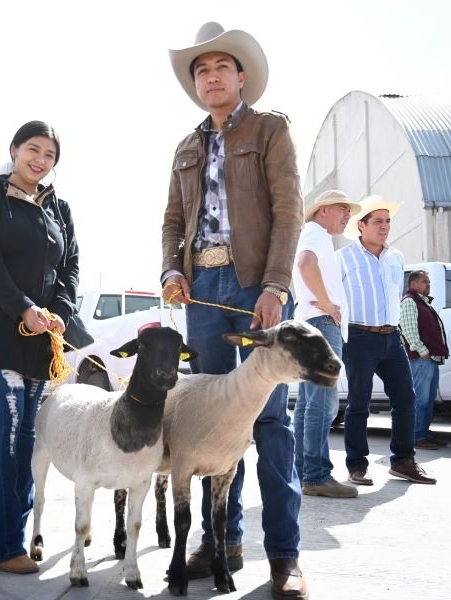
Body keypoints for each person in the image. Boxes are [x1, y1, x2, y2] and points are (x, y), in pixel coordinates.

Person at [161, 22, 307, 598]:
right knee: (210, 421)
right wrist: (172, 270)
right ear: (195, 82)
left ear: (241, 76)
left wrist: (275, 284)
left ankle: (285, 557)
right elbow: (173, 221)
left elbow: (289, 211)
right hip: (202, 293)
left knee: (268, 422)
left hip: (254, 288)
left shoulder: (271, 131)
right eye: (201, 69)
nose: (211, 75)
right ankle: (223, 543)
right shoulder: (186, 146)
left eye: (221, 66)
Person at [0, 121, 78, 575]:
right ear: (14, 150)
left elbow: (71, 267)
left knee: (27, 437)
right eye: (33, 149)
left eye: (49, 155)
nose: (40, 160)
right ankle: (1, 546)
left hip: (40, 339)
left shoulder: (59, 208)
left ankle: (13, 537)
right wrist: (23, 307)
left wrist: (60, 309)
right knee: (5, 430)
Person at [337, 196, 437, 486]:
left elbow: (394, 297)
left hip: (391, 337)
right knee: (358, 403)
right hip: (358, 336)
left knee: (406, 398)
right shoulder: (343, 258)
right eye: (378, 221)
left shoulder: (397, 257)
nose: (385, 226)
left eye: (387, 221)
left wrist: (401, 334)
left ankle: (403, 461)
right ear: (361, 225)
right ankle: (357, 465)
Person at [292, 190, 361, 499]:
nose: (348, 215)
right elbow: (307, 264)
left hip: (312, 322)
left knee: (309, 403)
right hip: (320, 322)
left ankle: (302, 472)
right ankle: (317, 475)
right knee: (322, 403)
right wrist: (327, 304)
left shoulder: (313, 233)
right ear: (323, 211)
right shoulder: (317, 235)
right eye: (342, 209)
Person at [399, 269, 450, 450]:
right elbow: (408, 330)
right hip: (421, 360)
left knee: (428, 400)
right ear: (413, 284)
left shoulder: (422, 302)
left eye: (428, 281)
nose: (428, 284)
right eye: (424, 281)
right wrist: (423, 352)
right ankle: (417, 437)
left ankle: (424, 434)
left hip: (430, 359)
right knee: (420, 400)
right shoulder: (410, 302)